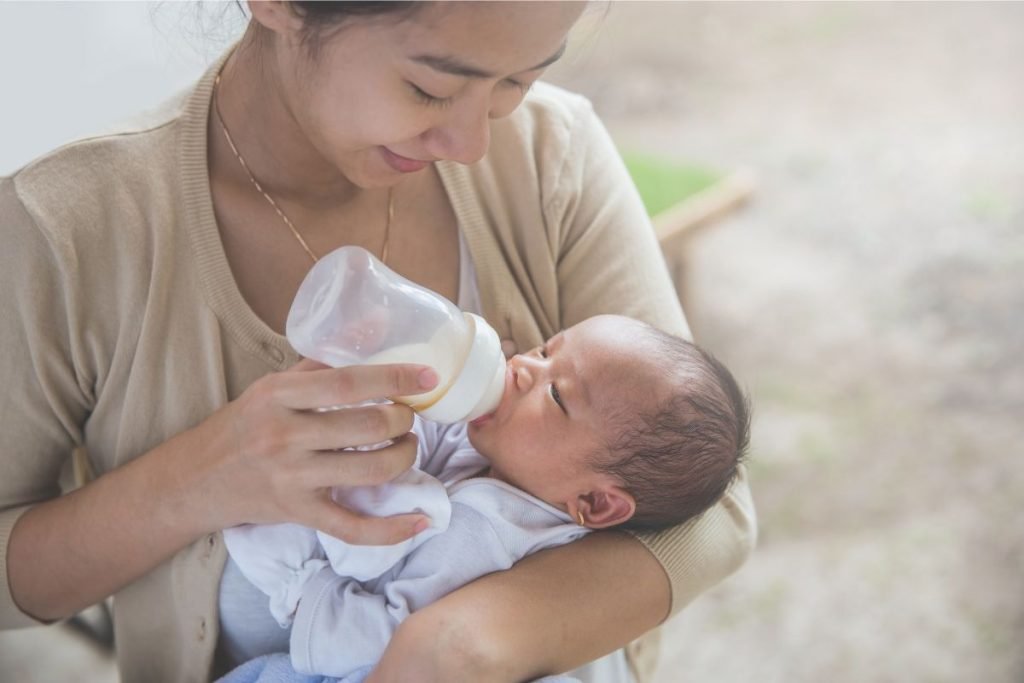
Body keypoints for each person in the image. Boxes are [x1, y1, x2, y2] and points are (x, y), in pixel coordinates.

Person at [0, 3, 757, 682]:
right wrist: (200, 477)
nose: (470, 144)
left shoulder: (550, 154)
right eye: (430, 89)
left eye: (516, 83)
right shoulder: (65, 230)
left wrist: (455, 643)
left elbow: (711, 514)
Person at [220, 314, 751, 680]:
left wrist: (305, 589)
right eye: (546, 350)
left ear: (594, 503)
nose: (523, 366)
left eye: (557, 394)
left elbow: (383, 637)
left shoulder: (488, 537)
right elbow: (425, 434)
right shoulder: (507, 456)